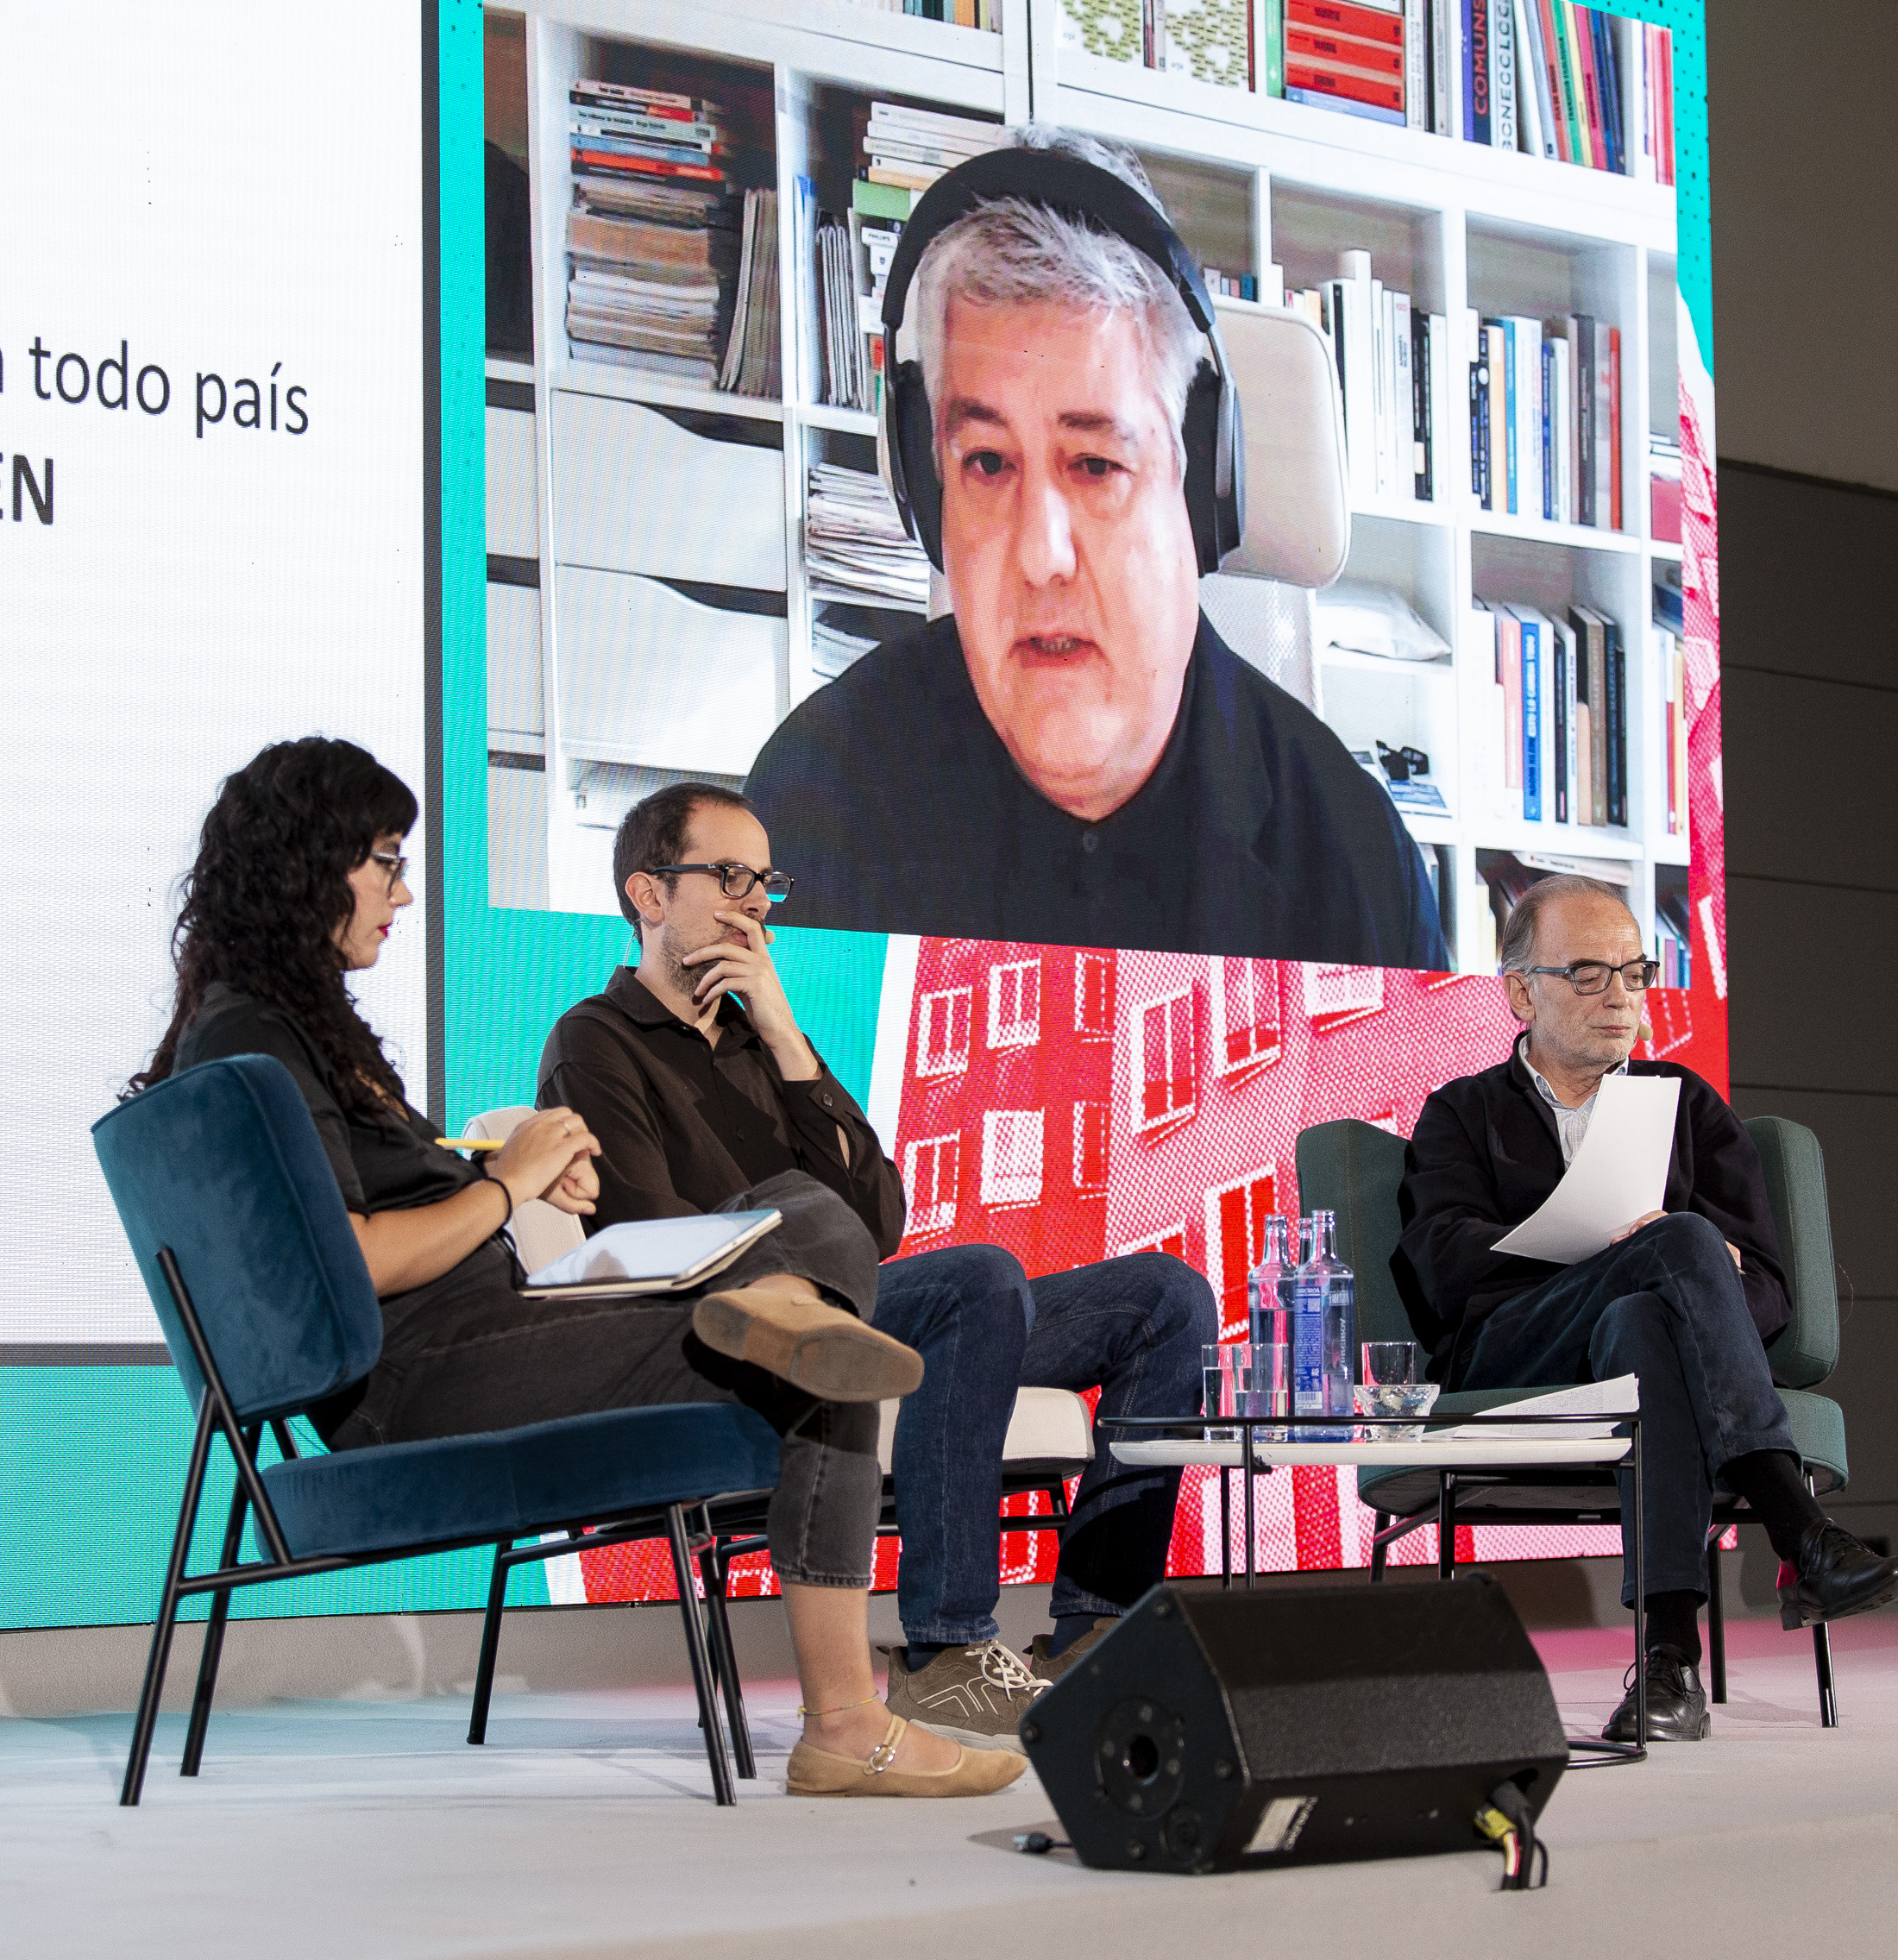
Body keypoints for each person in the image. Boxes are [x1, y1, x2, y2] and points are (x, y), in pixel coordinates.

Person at [134, 737, 1021, 1798]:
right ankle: (843, 1718)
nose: (404, 891)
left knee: (817, 1245)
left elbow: (882, 1216)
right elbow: (353, 1260)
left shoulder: (272, 1031)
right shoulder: (255, 1039)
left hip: (463, 1341)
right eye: (383, 859)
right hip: (417, 1376)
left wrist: (498, 1181)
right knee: (817, 1336)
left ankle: (790, 1321)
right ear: (302, 863)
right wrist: (502, 1185)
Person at [537, 780, 1216, 1752]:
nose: (755, 900)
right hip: (735, 1332)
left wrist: (781, 1034)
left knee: (1165, 1296)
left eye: (763, 879)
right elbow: (650, 1235)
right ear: (648, 893)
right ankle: (944, 1650)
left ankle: (1095, 1629)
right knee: (977, 1279)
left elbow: (880, 1217)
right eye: (727, 875)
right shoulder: (593, 1042)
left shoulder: (766, 1038)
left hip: (861, 1310)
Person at [745, 129, 1449, 971]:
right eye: (987, 463)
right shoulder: (807, 808)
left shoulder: (1355, 866)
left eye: (1094, 463)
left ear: (1195, 487)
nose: (1040, 554)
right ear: (930, 496)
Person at [1396, 874, 1898, 1743]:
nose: (1620, 998)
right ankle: (1804, 1536)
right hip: (1515, 1348)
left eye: (1634, 973)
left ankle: (1666, 1664)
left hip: (1643, 1355)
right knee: (1674, 1245)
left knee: (1646, 1320)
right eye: (1588, 974)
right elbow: (1448, 1267)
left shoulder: (1684, 1106)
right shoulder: (1461, 1111)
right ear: (1519, 989)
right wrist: (1627, 1250)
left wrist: (1693, 1274)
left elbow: (1767, 1291)